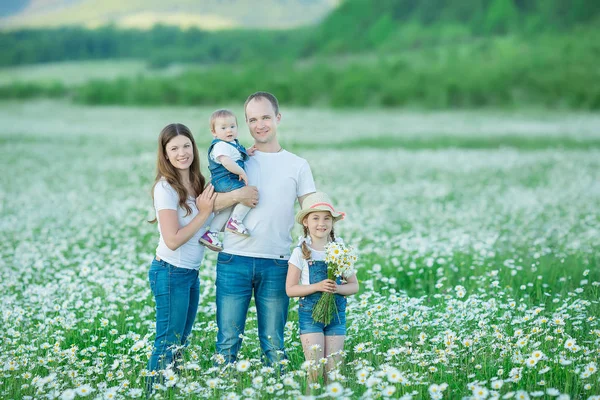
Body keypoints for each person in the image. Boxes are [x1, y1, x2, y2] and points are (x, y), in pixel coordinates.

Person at [214, 91, 316, 366]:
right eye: (252, 119)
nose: (260, 125)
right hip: (234, 259)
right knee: (227, 342)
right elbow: (210, 203)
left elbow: (312, 213)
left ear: (278, 118)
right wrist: (238, 196)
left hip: (277, 263)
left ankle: (277, 389)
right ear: (246, 123)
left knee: (274, 343)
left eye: (266, 118)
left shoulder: (298, 165)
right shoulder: (235, 159)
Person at [146, 123, 217, 389]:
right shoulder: (165, 188)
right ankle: (152, 392)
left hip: (190, 273)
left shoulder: (198, 183)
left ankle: (170, 391)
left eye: (186, 145)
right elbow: (173, 239)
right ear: (165, 154)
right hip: (169, 271)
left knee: (179, 342)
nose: (182, 153)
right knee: (166, 341)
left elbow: (203, 226)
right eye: (174, 148)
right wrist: (202, 214)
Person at [285, 191, 359, 388]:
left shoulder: (340, 250)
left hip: (336, 316)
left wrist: (337, 289)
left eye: (327, 218)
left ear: (333, 223)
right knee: (315, 372)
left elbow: (354, 286)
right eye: (315, 218)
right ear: (306, 223)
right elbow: (290, 289)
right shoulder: (300, 252)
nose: (322, 223)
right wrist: (317, 287)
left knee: (333, 374)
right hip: (311, 317)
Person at [199, 109, 254, 252]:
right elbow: (227, 162)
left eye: (232, 126)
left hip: (225, 181)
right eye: (223, 128)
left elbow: (235, 155)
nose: (229, 130)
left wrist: (246, 152)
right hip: (226, 179)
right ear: (214, 132)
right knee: (248, 196)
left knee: (226, 209)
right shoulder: (220, 145)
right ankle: (236, 221)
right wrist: (241, 171)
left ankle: (211, 234)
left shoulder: (231, 144)